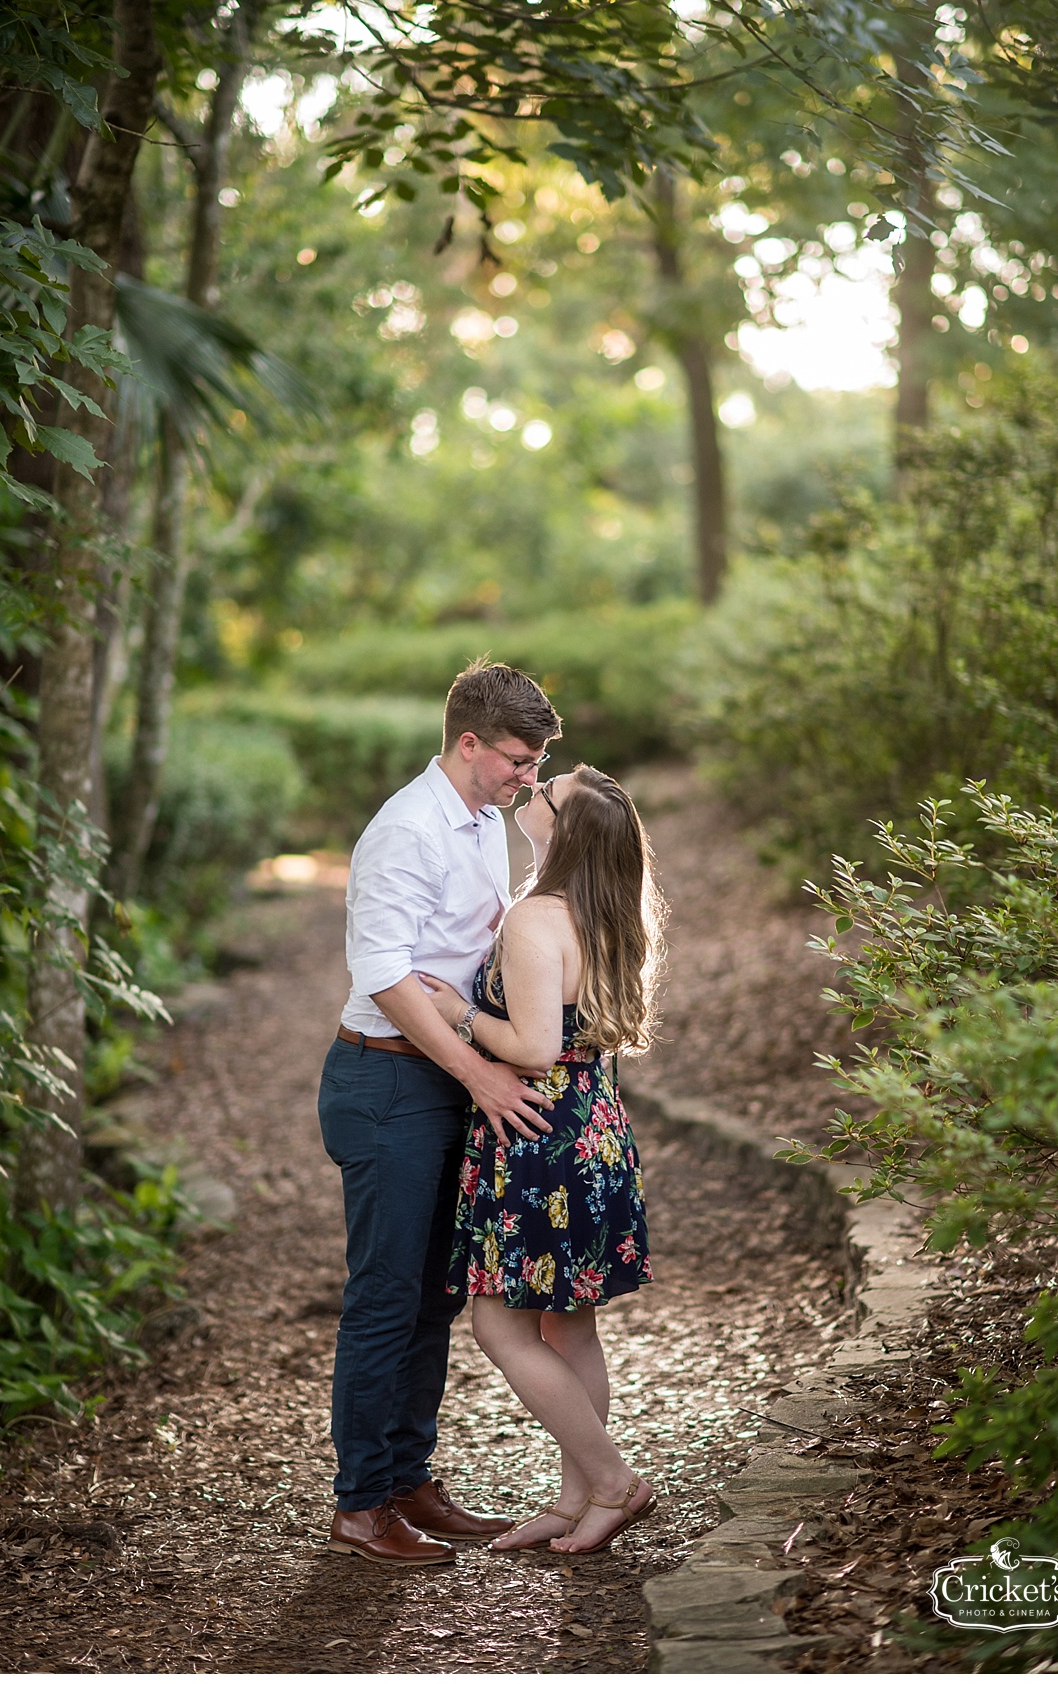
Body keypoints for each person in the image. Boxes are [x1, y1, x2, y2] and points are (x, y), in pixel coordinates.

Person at [318, 660, 562, 1567]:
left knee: (435, 1296)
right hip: (385, 1085)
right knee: (385, 1299)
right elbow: (382, 973)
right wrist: (483, 1074)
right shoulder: (406, 830)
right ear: (467, 743)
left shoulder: (484, 817)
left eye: (535, 763)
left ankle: (408, 1480)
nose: (526, 776)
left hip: (440, 1081)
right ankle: (359, 1505)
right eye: (515, 758)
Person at [419, 763, 667, 1555]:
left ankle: (614, 1482)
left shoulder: (536, 920)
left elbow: (531, 1047)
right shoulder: (608, 916)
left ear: (562, 833)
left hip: (538, 1143)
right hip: (591, 1135)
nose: (535, 792)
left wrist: (457, 1011)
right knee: (570, 1329)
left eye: (547, 794)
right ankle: (573, 1501)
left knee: (499, 1325)